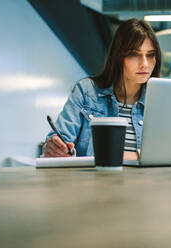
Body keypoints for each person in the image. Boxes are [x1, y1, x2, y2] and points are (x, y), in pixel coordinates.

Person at [43, 18, 162, 160]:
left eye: (150, 55)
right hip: (93, 182)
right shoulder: (87, 92)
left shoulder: (159, 101)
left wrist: (123, 156)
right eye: (134, 54)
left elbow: (169, 152)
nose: (145, 64)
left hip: (146, 182)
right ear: (119, 57)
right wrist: (55, 147)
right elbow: (58, 143)